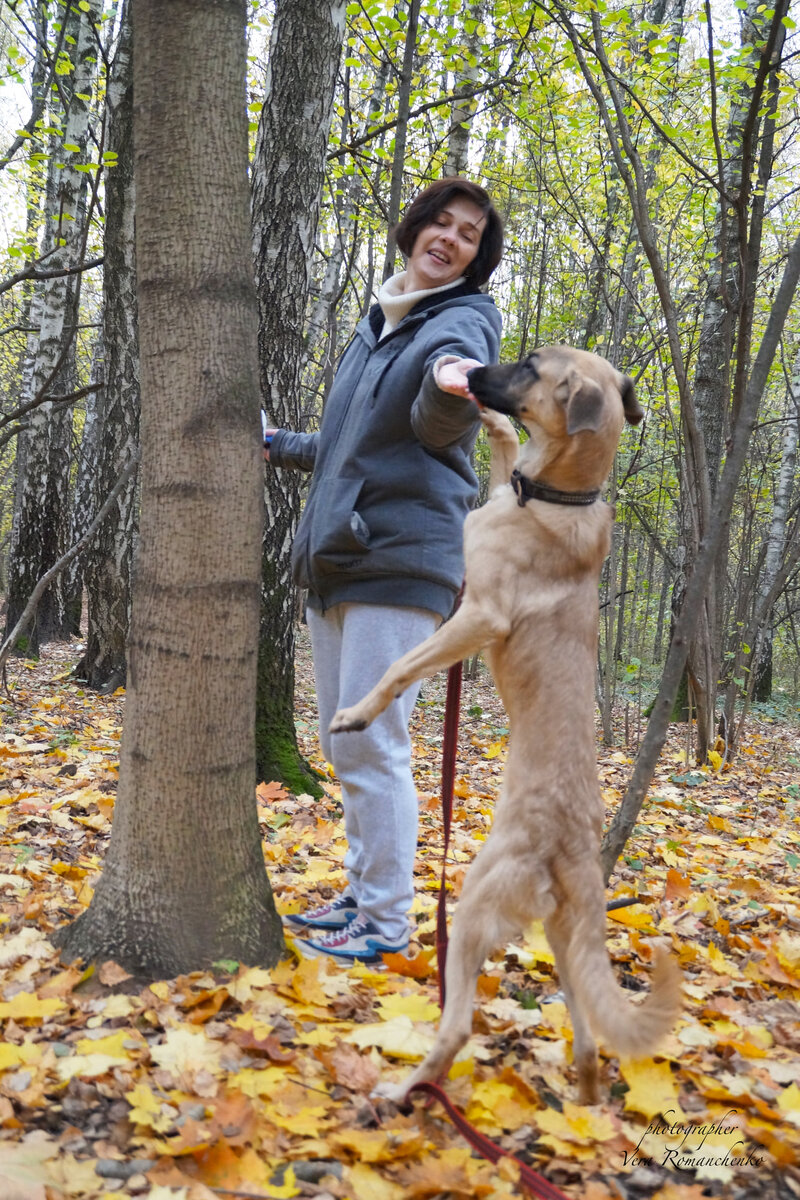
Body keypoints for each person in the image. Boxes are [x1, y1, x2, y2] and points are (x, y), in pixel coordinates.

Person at [265, 177, 504, 964]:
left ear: (477, 257)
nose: (450, 237)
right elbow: (347, 448)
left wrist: (455, 387)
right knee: (346, 745)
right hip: (341, 551)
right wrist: (275, 442)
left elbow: (441, 409)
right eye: (440, 221)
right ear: (413, 229)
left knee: (374, 744)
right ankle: (362, 896)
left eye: (468, 233)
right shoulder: (376, 325)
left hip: (401, 557)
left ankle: (386, 924)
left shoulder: (462, 319)